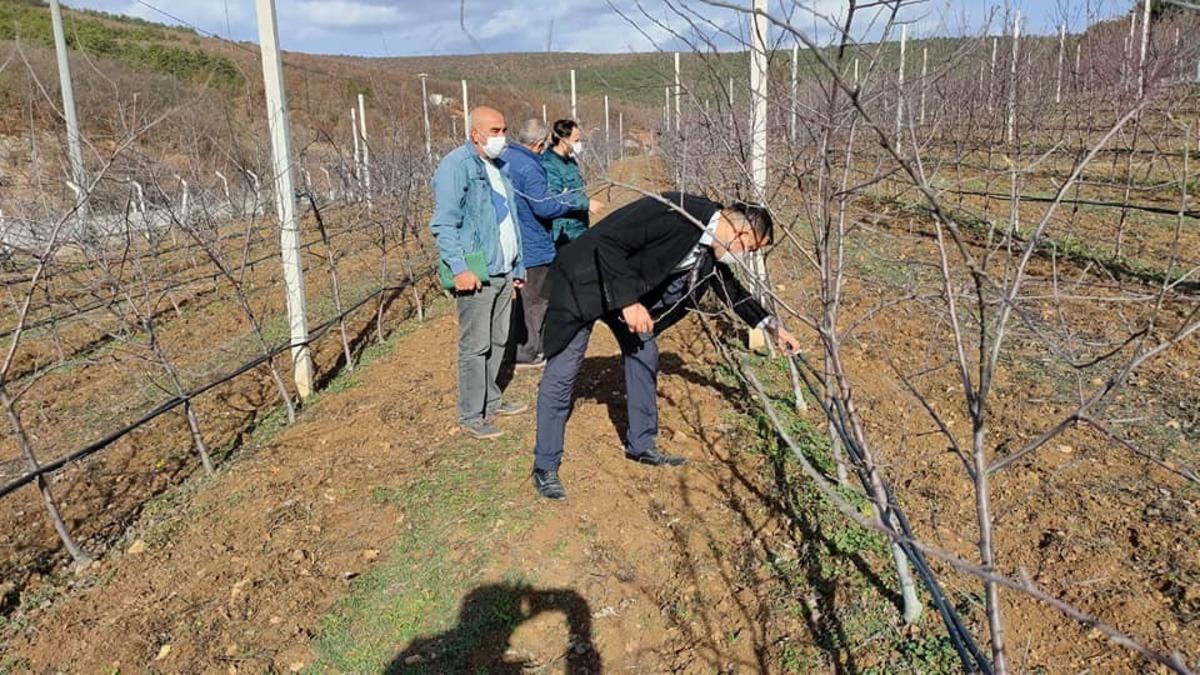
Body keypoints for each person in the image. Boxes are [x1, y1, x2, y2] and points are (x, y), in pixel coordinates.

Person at [530, 192, 801, 500]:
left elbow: (729, 289)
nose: (743, 256)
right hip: (585, 281)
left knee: (644, 352)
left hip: (624, 290)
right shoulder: (678, 212)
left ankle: (642, 445)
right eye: (748, 249)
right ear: (741, 232)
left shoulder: (710, 245)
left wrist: (772, 327)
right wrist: (629, 303)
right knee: (563, 372)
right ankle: (545, 466)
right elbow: (608, 243)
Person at [430, 106, 528, 440]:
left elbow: (508, 219)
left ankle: (492, 400)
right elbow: (444, 222)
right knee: (475, 345)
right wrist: (459, 268)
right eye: (496, 130)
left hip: (502, 270)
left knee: (499, 339)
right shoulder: (456, 166)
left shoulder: (498, 167)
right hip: (476, 271)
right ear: (476, 134)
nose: (503, 137)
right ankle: (472, 415)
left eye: (504, 130)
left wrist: (517, 265)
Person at [500, 119, 601, 368]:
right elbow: (546, 204)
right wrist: (582, 204)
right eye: (576, 140)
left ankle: (538, 345)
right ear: (545, 142)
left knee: (537, 295)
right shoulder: (536, 166)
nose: (579, 145)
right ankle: (529, 351)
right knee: (536, 298)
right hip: (538, 239)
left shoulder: (511, 158)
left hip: (533, 236)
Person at [541, 119, 601, 247]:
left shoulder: (570, 161)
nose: (579, 144)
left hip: (579, 226)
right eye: (576, 140)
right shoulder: (549, 164)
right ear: (563, 141)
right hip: (565, 231)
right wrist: (586, 204)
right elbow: (554, 199)